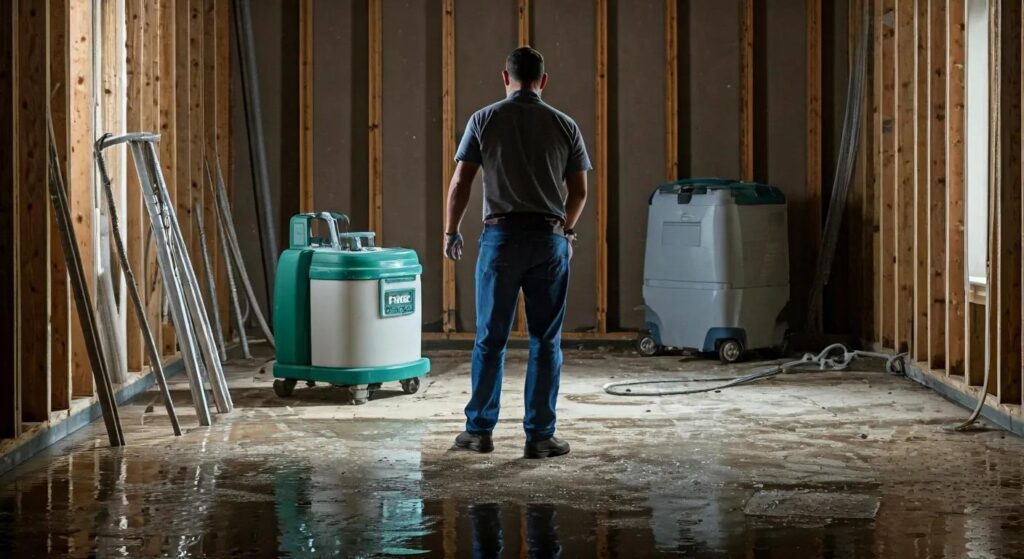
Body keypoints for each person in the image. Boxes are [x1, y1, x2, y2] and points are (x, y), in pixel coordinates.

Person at [443, 46, 590, 459]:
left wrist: (450, 231)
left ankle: (479, 431)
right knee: (546, 340)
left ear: (504, 78)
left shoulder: (484, 119)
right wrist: (568, 231)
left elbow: (460, 185)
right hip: (548, 240)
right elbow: (578, 191)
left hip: (501, 240)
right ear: (543, 81)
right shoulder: (565, 125)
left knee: (490, 339)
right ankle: (540, 437)